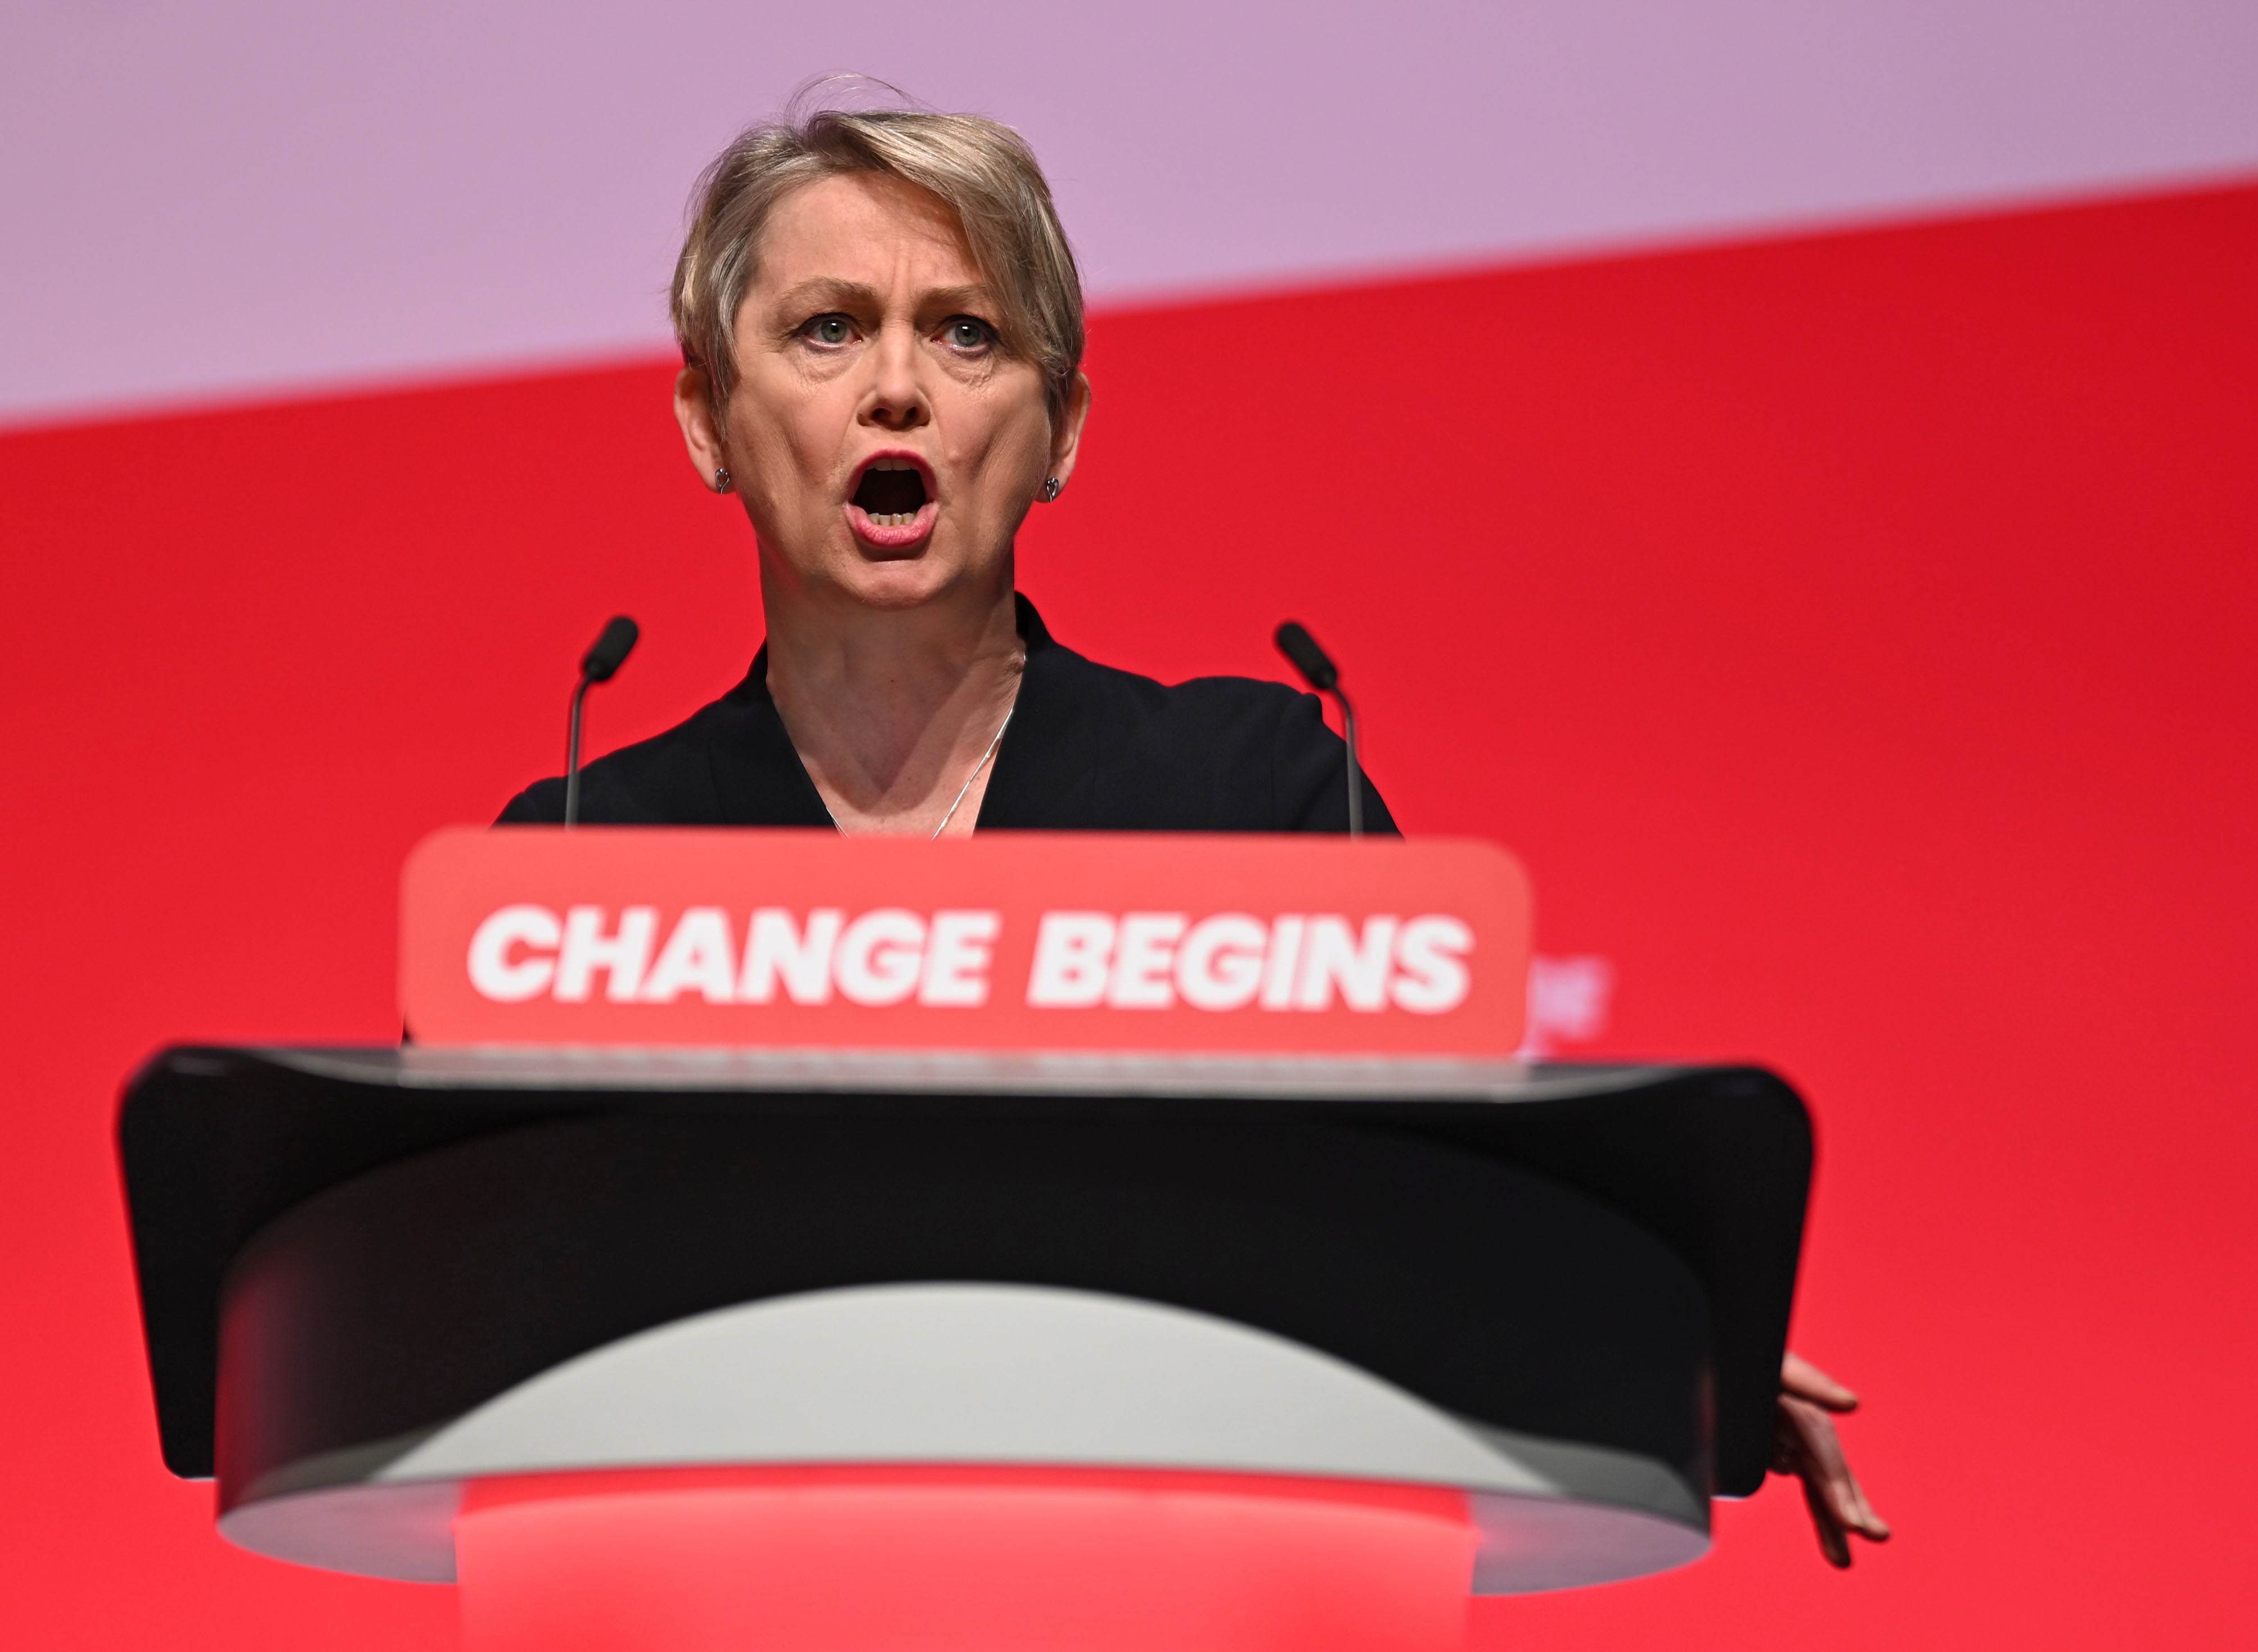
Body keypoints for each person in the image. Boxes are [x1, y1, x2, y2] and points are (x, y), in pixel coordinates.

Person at [497, 96, 1887, 1565]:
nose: (895, 388)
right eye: (827, 329)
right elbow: (470, 1302)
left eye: (966, 333)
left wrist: (1636, 1310)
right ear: (708, 418)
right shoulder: (575, 866)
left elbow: (1451, 1202)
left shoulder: (1251, 794)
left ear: (1061, 432)